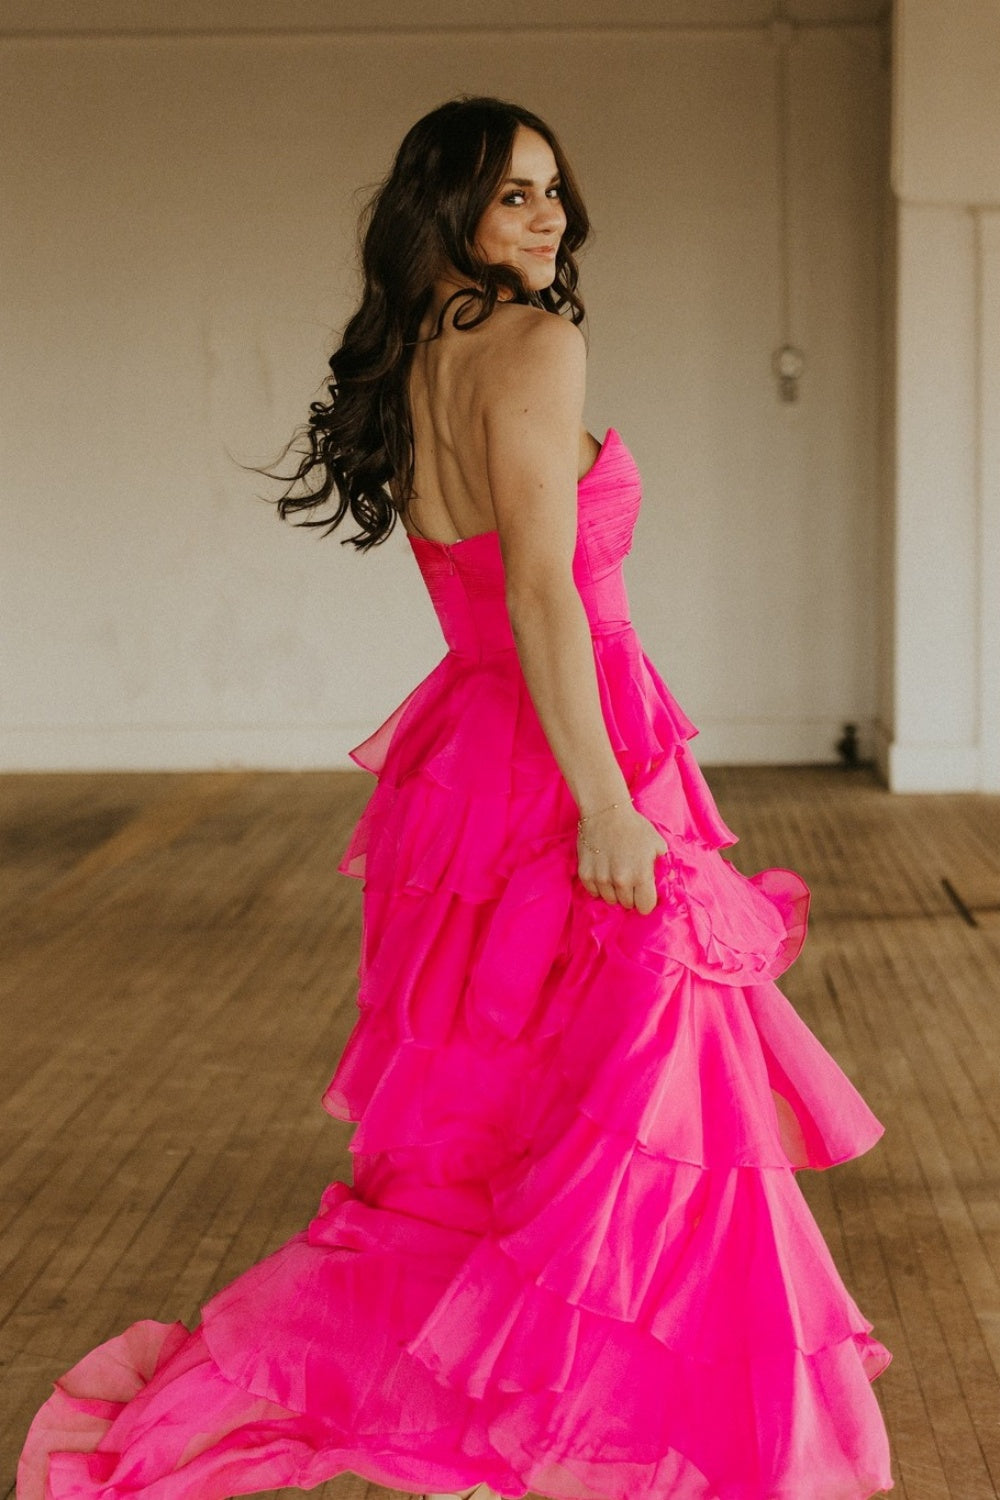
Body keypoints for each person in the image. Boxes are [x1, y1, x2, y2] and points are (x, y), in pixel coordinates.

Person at [17, 96, 893, 1500]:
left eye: (554, 193)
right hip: (568, 755)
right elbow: (545, 591)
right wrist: (610, 807)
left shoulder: (425, 353)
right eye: (513, 197)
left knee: (510, 1120)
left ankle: (542, 1402)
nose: (549, 218)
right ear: (448, 215)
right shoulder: (537, 345)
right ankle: (653, 1424)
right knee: (653, 1097)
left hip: (470, 760)